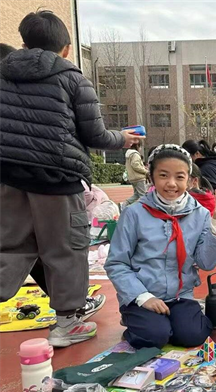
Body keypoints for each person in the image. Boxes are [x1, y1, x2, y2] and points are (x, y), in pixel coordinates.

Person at [0, 10, 143, 347]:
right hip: (57, 178)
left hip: (8, 176)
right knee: (64, 250)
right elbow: (95, 135)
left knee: (9, 248)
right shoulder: (72, 79)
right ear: (65, 49)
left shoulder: (2, 75)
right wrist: (123, 139)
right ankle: (67, 324)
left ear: (24, 44)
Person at [105, 145, 216, 349]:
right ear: (151, 177)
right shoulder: (134, 214)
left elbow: (206, 263)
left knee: (193, 335)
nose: (171, 183)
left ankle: (167, 322)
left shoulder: (200, 214)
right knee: (156, 336)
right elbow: (116, 263)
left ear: (190, 181)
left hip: (180, 296)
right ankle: (135, 319)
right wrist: (142, 297)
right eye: (163, 175)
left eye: (179, 177)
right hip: (143, 294)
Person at [121, 141, 147, 209]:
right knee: (143, 195)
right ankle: (143, 209)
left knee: (136, 195)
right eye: (140, 146)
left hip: (133, 178)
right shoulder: (135, 154)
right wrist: (145, 171)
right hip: (139, 177)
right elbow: (136, 165)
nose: (140, 148)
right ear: (137, 146)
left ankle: (125, 204)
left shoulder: (129, 154)